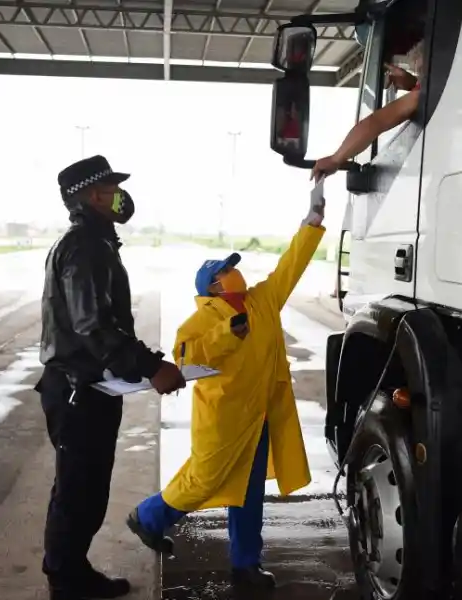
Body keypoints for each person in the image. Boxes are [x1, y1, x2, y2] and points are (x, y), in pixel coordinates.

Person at [125, 196, 327, 589]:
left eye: (233, 268)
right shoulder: (201, 319)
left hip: (260, 415)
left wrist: (312, 221)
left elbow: (291, 265)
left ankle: (246, 564)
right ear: (213, 287)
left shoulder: (262, 300)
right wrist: (225, 334)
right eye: (225, 272)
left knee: (249, 493)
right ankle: (147, 516)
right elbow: (184, 357)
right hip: (223, 418)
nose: (235, 274)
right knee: (204, 480)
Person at [36, 154, 187, 600]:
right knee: (77, 491)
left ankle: (72, 571)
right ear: (92, 195)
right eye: (112, 188)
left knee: (85, 490)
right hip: (77, 391)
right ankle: (66, 581)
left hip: (88, 387)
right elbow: (93, 325)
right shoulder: (85, 246)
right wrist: (150, 367)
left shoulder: (93, 242)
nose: (120, 195)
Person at [311, 33, 425, 182]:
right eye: (418, 72)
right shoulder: (434, 90)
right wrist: (412, 83)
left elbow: (376, 122)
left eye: (421, 72)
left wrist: (336, 159)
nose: (420, 77)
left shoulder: (419, 96)